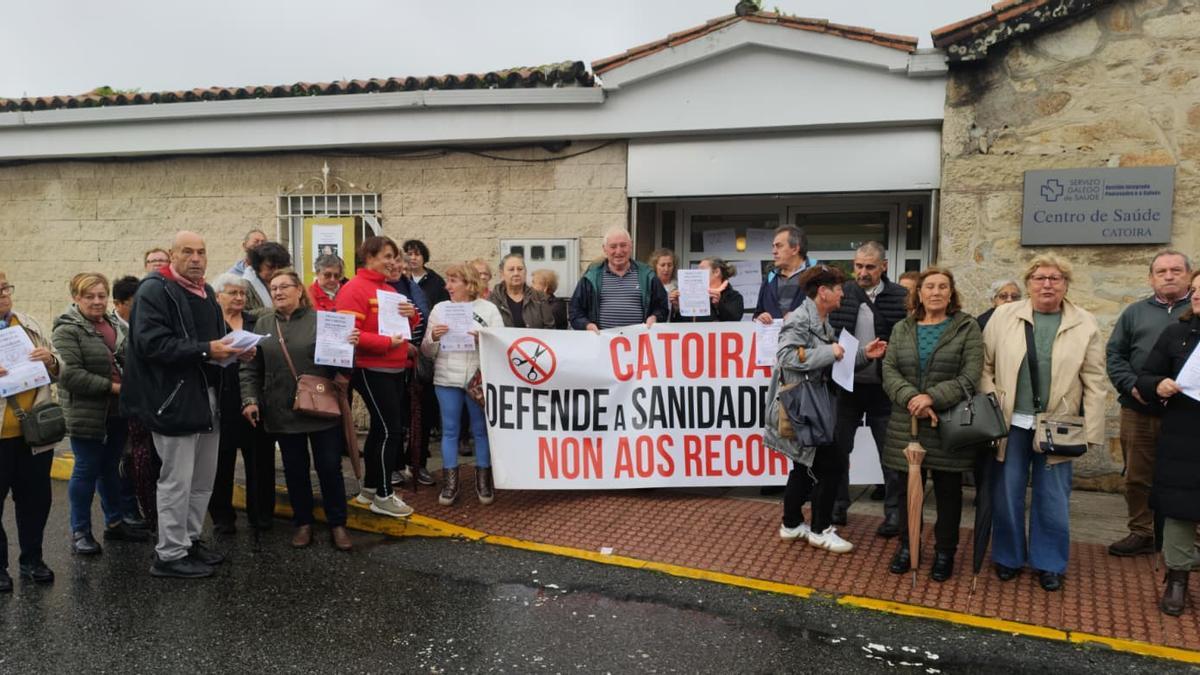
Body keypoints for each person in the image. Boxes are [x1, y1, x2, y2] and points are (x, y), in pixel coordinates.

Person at [121, 230, 251, 579]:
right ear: (172, 255)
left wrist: (238, 347)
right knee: (176, 480)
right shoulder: (154, 290)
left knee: (202, 479)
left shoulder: (206, 291)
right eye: (188, 252)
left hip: (208, 395)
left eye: (202, 252)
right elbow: (152, 345)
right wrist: (208, 349)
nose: (196, 258)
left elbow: (214, 338)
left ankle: (189, 541)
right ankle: (169, 554)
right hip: (174, 398)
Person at [981, 254, 1105, 592]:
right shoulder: (1004, 316)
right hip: (1011, 423)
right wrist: (992, 406)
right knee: (1007, 493)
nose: (1047, 284)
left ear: (1066, 284)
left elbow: (1094, 379)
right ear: (1028, 283)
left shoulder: (1085, 322)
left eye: (1055, 278)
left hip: (1059, 424)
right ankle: (1008, 557)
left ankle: (1049, 562)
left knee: (1053, 497)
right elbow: (984, 366)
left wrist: (1091, 431)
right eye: (1039, 278)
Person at [765, 265, 886, 554]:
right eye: (838, 288)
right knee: (832, 466)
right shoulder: (800, 320)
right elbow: (785, 356)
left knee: (803, 467)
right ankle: (820, 530)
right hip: (803, 408)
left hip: (810, 407)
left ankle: (792, 524)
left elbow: (836, 362)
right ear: (823, 292)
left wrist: (863, 355)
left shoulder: (820, 319)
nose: (843, 293)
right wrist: (828, 352)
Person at [881, 267, 983, 582]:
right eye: (930, 287)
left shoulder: (967, 328)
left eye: (943, 287)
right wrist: (913, 397)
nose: (936, 292)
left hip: (947, 422)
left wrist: (932, 398)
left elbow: (970, 375)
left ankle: (944, 552)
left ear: (951, 293)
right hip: (905, 422)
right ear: (919, 293)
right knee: (904, 491)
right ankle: (907, 547)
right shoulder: (902, 328)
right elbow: (889, 368)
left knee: (948, 493)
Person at [242, 269, 355, 551]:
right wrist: (250, 399)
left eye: (284, 287)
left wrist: (348, 348)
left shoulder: (323, 321)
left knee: (329, 468)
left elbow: (342, 369)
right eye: (273, 288)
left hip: (321, 408)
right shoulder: (263, 323)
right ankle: (302, 523)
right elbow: (251, 367)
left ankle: (338, 523)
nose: (278, 292)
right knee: (295, 470)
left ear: (299, 290)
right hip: (282, 410)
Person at [53, 273, 150, 555]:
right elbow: (69, 375)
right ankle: (80, 531)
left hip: (117, 411)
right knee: (86, 469)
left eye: (101, 295)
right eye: (89, 296)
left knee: (110, 469)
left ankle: (115, 523)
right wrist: (114, 388)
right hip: (87, 412)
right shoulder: (66, 329)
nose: (97, 301)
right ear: (76, 298)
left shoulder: (111, 324)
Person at [1106, 250, 1192, 558]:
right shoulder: (1134, 313)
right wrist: (1132, 385)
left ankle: (1183, 541)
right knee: (1137, 476)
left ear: (1189, 276)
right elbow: (1115, 355)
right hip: (1138, 408)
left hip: (1186, 414)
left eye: (1176, 270)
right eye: (1161, 271)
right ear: (1150, 278)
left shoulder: (1195, 312)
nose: (1169, 276)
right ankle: (1141, 531)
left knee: (1186, 476)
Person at [825, 242, 907, 532]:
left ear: (883, 266)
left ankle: (894, 513)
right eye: (858, 266)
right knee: (838, 448)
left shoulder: (901, 296)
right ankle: (838, 506)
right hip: (846, 386)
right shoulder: (842, 292)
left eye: (870, 267)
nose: (863, 272)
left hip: (884, 389)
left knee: (891, 453)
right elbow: (826, 330)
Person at [336, 235, 419, 518]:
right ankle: (384, 494)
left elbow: (404, 327)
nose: (392, 263)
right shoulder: (354, 289)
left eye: (394, 257)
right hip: (371, 368)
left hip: (394, 368)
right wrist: (387, 344)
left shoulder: (388, 289)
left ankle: (370, 489)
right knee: (389, 430)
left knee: (381, 430)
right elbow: (350, 334)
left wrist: (412, 315)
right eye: (387, 256)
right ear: (369, 257)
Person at [1135, 270, 1200, 615]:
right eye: (1197, 291)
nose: (1199, 297)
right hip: (1184, 437)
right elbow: (1146, 376)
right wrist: (1158, 384)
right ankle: (1177, 578)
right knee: (1179, 509)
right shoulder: (1177, 333)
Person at [422, 262, 504, 506]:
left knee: (480, 431)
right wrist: (433, 338)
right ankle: (450, 483)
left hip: (477, 379)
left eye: (453, 281)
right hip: (446, 378)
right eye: (447, 281)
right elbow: (426, 351)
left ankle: (483, 480)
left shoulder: (488, 309)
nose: (447, 286)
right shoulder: (439, 309)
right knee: (450, 430)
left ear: (469, 285)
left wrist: (483, 339)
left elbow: (501, 345)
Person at [0, 271, 60, 590]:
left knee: (36, 500)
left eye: (6, 288)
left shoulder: (27, 323)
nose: (5, 295)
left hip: (33, 432)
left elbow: (57, 366)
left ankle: (33, 560)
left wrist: (50, 359)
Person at [207, 273, 275, 535]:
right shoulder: (211, 324)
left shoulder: (255, 321)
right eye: (232, 293)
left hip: (254, 398)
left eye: (242, 294)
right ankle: (223, 517)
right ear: (218, 296)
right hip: (221, 400)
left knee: (260, 459)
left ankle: (261, 515)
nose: (238, 298)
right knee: (221, 462)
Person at [387, 252, 434, 488]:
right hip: (394, 360)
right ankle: (394, 465)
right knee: (396, 417)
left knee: (420, 415)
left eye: (405, 267)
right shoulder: (385, 290)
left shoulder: (414, 289)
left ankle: (418, 463)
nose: (401, 270)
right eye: (396, 266)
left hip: (417, 360)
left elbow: (424, 318)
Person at [569, 227, 669, 332]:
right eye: (613, 246)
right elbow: (575, 312)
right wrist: (587, 325)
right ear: (604, 249)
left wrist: (655, 317)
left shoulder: (647, 275)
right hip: (602, 343)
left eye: (623, 245)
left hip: (638, 344)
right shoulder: (591, 277)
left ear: (631, 246)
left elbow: (662, 307)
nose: (618, 251)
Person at [754, 225, 816, 325]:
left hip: (806, 339)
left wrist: (800, 316)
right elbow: (757, 314)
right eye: (773, 246)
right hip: (774, 339)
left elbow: (830, 313)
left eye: (779, 246)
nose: (773, 251)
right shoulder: (770, 278)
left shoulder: (818, 275)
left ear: (795, 249)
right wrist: (760, 317)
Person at [669, 256, 744, 322]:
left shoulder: (734, 296)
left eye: (702, 270)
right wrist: (678, 308)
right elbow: (679, 326)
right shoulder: (693, 295)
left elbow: (734, 320)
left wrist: (718, 305)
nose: (698, 273)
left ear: (716, 272)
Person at [491, 254, 556, 329]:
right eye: (511, 269)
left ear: (525, 272)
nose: (516, 273)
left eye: (520, 269)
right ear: (502, 274)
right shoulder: (492, 300)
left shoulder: (539, 298)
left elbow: (550, 328)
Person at [242, 242, 291, 314]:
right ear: (258, 265)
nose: (276, 271)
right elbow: (241, 314)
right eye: (270, 267)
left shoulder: (291, 282)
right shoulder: (244, 286)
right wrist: (273, 312)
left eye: (280, 267)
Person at [404, 239, 450, 308]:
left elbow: (444, 305)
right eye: (410, 254)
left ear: (424, 257)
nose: (413, 258)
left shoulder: (436, 280)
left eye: (417, 254)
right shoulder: (402, 278)